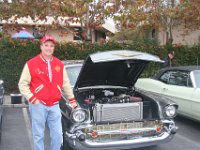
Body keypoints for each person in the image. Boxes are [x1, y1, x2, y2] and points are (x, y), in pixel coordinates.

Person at [18, 35, 77, 150]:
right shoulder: (31, 64)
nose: (49, 48)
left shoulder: (59, 64)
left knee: (57, 135)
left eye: (51, 46)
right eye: (46, 45)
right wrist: (32, 98)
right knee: (38, 135)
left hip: (55, 105)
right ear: (41, 46)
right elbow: (22, 84)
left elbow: (65, 83)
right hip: (38, 105)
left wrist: (72, 99)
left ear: (53, 48)